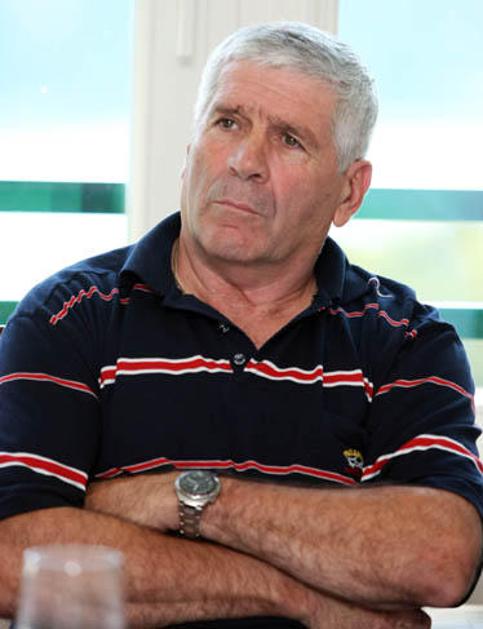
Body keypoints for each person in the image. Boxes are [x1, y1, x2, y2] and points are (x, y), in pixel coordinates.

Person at [0, 21, 481, 628]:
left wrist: (182, 496)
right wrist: (300, 598)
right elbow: (14, 559)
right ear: (190, 149)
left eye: (289, 140)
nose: (244, 161)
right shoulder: (69, 315)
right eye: (227, 122)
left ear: (349, 192)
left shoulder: (405, 339)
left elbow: (440, 557)